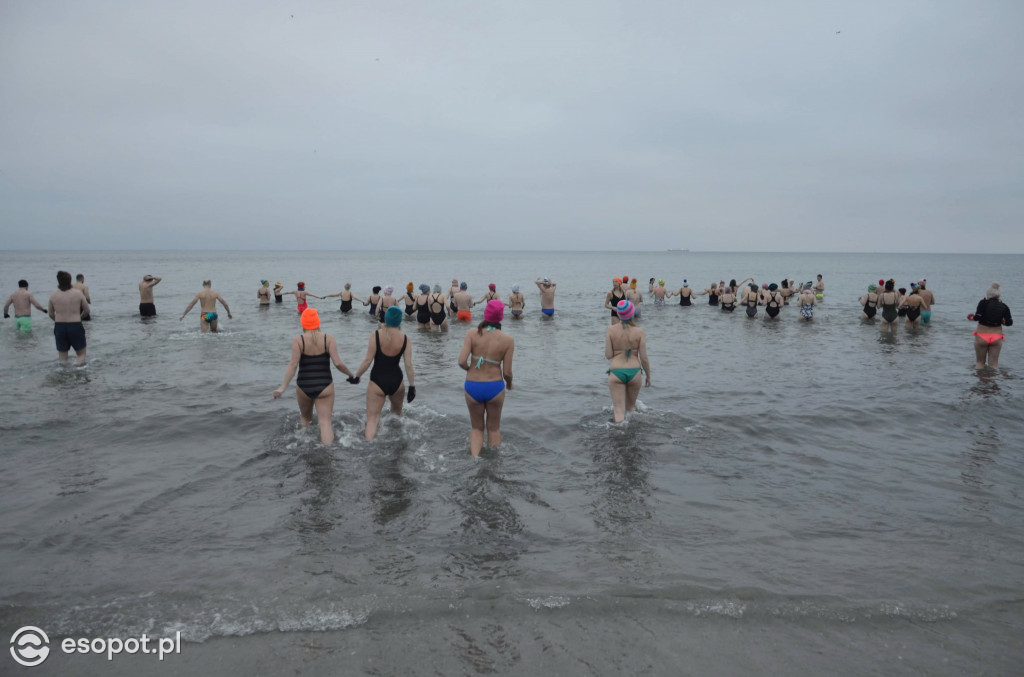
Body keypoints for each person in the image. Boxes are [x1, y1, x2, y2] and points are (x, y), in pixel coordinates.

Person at [273, 308, 357, 444]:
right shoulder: (328, 339)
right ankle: (327, 454)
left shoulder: (298, 340)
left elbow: (293, 365)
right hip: (325, 385)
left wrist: (282, 388)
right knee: (325, 423)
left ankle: (304, 449)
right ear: (318, 322)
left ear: (303, 323)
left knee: (305, 419)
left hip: (303, 386)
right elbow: (337, 363)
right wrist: (351, 375)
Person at [458, 300, 514, 456]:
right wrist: (509, 383)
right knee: (494, 428)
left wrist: (470, 370)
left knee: (476, 428)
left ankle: (475, 459)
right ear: (501, 317)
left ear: (486, 314)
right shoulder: (508, 340)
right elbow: (507, 372)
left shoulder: (472, 333)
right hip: (494, 387)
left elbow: (461, 361)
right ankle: (494, 464)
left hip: (473, 386)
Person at [352, 306, 416, 441]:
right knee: (396, 417)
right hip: (397, 382)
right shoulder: (405, 339)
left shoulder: (376, 335)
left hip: (377, 381)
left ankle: (369, 448)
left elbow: (367, 360)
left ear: (386, 319)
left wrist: (357, 376)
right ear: (399, 321)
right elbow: (408, 365)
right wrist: (412, 387)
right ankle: (397, 444)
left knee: (372, 420)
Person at [605, 300, 650, 423]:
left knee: (618, 410)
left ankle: (619, 435)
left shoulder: (610, 330)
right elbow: (644, 358)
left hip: (616, 371)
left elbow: (608, 355)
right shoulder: (639, 332)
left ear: (619, 314)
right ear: (632, 314)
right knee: (630, 409)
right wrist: (648, 376)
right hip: (635, 372)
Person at [48, 271, 90, 364]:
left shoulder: (53, 295)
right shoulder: (78, 293)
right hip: (75, 325)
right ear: (70, 280)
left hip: (59, 326)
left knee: (62, 357)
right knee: (81, 354)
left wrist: (59, 321)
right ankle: (77, 370)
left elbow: (50, 314)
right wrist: (80, 318)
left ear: (58, 281)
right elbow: (87, 310)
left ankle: (64, 374)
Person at [971, 282, 1012, 370]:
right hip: (996, 337)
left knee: (980, 363)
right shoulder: (1004, 306)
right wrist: (1003, 322)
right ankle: (993, 382)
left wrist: (971, 317)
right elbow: (1009, 323)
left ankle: (982, 382)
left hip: (982, 336)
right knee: (994, 365)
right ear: (998, 296)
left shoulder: (983, 303)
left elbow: (977, 317)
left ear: (988, 295)